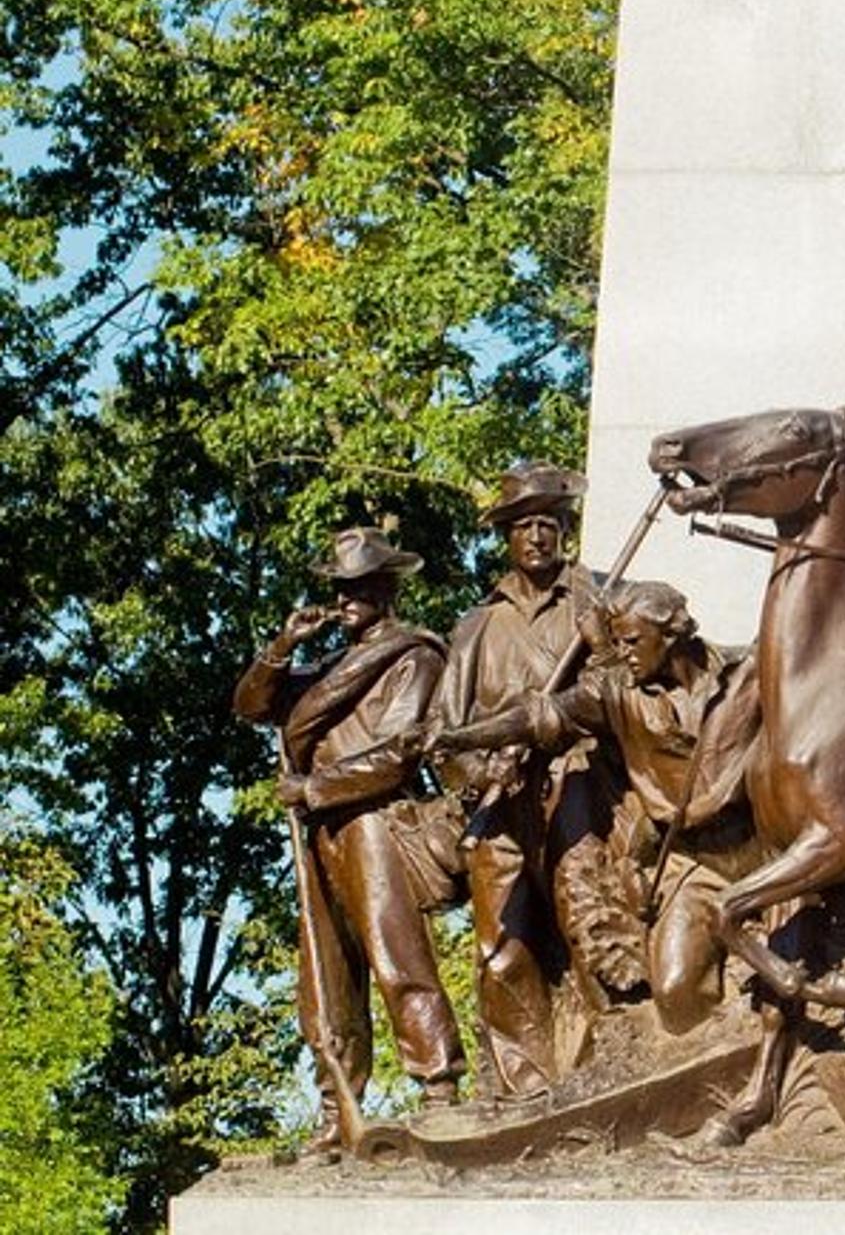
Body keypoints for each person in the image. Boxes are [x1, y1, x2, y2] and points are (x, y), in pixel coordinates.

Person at [431, 580, 754, 1035]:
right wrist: (459, 737)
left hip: (763, 849)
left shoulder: (747, 672)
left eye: (631, 641)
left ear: (672, 632)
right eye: (615, 642)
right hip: (690, 862)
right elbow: (539, 716)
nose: (621, 653)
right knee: (679, 995)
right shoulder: (616, 692)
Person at [233, 527, 465, 1152]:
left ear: (387, 588)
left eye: (361, 586)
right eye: (341, 587)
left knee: (398, 959)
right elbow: (252, 703)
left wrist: (313, 788)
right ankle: (339, 1103)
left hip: (373, 821)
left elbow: (396, 753)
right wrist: (284, 644)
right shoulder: (323, 668)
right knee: (324, 975)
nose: (348, 599)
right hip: (322, 835)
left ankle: (439, 1084)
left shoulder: (414, 656)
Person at [432, 461, 609, 1103]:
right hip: (499, 799)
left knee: (586, 922)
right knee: (500, 943)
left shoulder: (594, 601)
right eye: (524, 525)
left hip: (575, 782)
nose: (537, 536)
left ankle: (597, 1067)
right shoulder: (477, 627)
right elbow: (442, 732)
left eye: (550, 524)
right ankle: (525, 1086)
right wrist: (480, 770)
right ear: (506, 536)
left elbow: (616, 687)